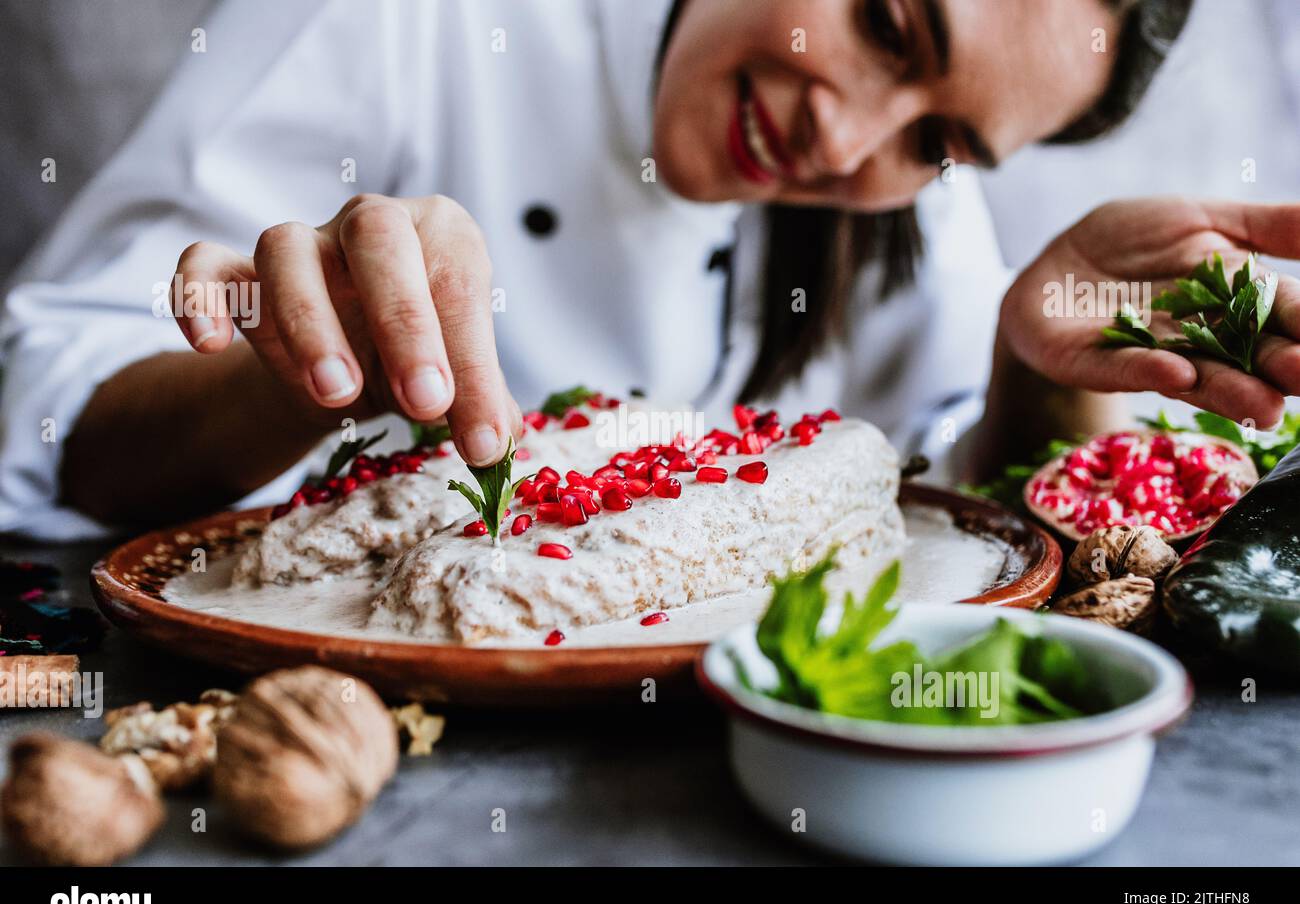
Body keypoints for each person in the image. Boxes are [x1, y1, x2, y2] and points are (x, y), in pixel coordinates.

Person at [2, 0, 1297, 540]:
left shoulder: (899, 203)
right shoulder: (417, 23)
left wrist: (1038, 354)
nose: (843, 143)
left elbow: (943, 496)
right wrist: (308, 374)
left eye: (941, 138)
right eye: (889, 26)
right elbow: (53, 404)